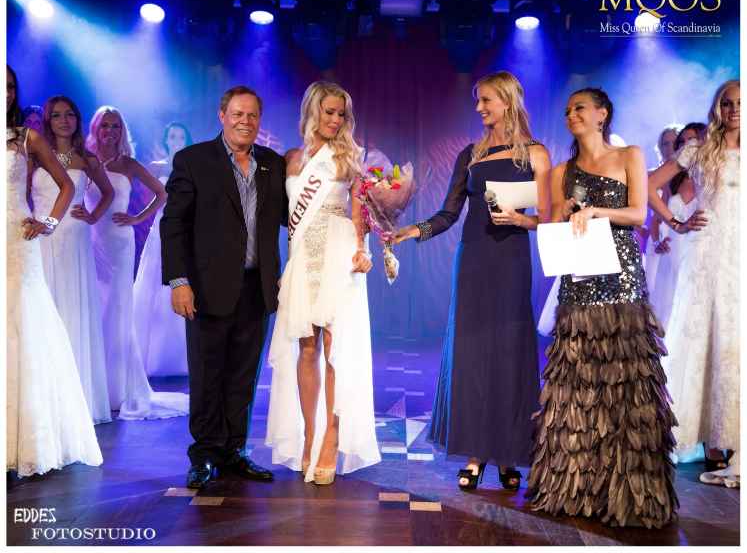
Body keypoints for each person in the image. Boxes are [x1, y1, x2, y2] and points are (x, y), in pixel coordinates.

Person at [525, 87, 678, 528]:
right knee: (578, 385)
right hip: (579, 279)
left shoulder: (629, 155)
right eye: (567, 110)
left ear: (602, 114)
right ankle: (578, 490)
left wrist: (594, 211)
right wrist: (564, 212)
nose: (571, 115)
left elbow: (637, 214)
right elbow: (553, 222)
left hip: (621, 277)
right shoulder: (562, 170)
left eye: (580, 108)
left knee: (626, 384)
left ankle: (629, 493)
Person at [393, 71, 551, 490]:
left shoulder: (536, 154)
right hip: (474, 261)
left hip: (512, 261)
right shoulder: (470, 155)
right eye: (478, 101)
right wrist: (415, 230)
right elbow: (449, 213)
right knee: (474, 355)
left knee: (510, 353)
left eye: (486, 100)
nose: (479, 108)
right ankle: (477, 455)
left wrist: (523, 220)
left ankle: (508, 454)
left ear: (508, 101)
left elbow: (551, 217)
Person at [161, 86, 288, 489]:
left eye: (252, 115)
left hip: (257, 288)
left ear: (259, 120)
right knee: (207, 374)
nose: (244, 121)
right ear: (222, 115)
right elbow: (173, 224)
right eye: (237, 114)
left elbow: (294, 217)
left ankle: (234, 451)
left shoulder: (272, 164)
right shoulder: (194, 160)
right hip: (206, 288)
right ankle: (204, 453)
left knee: (243, 376)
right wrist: (179, 281)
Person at [265, 81, 380, 485]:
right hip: (302, 259)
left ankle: (331, 438)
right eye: (328, 112)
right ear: (312, 112)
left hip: (337, 254)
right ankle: (309, 435)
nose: (335, 120)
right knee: (306, 348)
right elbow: (282, 216)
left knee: (333, 349)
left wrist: (362, 249)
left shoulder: (350, 157)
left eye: (340, 114)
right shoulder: (291, 160)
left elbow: (359, 213)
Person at [6, 65, 103, 477]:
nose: (6, 93)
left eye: (11, 87)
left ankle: (25, 438)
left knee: (24, 330)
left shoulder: (26, 139)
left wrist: (48, 221)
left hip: (17, 240)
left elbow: (67, 185)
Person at [647, 80, 740, 488]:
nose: (734, 109)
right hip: (707, 258)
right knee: (709, 343)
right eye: (727, 103)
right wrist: (677, 222)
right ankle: (717, 446)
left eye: (740, 103)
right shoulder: (699, 150)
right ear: (717, 107)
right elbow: (647, 185)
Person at [84, 105, 188, 420]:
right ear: (96, 128)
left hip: (118, 242)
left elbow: (161, 194)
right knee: (93, 308)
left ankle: (118, 388)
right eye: (105, 125)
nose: (110, 131)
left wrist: (136, 218)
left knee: (116, 309)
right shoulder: (86, 160)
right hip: (88, 239)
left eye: (116, 126)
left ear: (122, 131)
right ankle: (94, 385)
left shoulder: (128, 164)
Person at [31, 95, 114, 424]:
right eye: (56, 115)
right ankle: (45, 397)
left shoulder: (86, 159)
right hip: (40, 235)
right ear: (47, 121)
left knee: (72, 309)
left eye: (69, 115)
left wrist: (92, 216)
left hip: (74, 238)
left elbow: (108, 192)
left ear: (78, 120)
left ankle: (78, 399)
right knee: (45, 308)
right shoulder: (35, 154)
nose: (64, 121)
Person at [133, 122, 193, 377]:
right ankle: (150, 356)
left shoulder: (192, 167)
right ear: (166, 140)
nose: (176, 140)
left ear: (186, 140)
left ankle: (182, 357)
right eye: (172, 136)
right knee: (155, 286)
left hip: (186, 231)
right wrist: (137, 217)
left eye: (181, 136)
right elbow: (154, 198)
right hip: (160, 229)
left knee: (182, 286)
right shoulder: (156, 168)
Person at [646, 123, 705, 329]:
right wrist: (657, 241)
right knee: (669, 308)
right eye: (682, 142)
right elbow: (656, 218)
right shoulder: (671, 181)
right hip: (674, 248)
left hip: (701, 249)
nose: (687, 145)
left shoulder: (713, 177)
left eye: (692, 140)